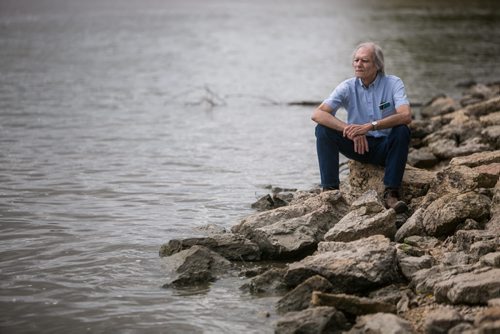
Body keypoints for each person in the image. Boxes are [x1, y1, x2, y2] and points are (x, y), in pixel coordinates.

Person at [311, 42, 412, 213]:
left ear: (377, 65)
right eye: (356, 60)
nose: (358, 64)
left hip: (385, 149)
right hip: (357, 146)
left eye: (364, 61)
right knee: (322, 130)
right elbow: (318, 114)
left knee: (402, 130)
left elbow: (406, 115)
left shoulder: (393, 83)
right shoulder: (347, 86)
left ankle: (391, 194)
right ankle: (330, 191)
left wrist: (370, 127)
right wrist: (350, 130)